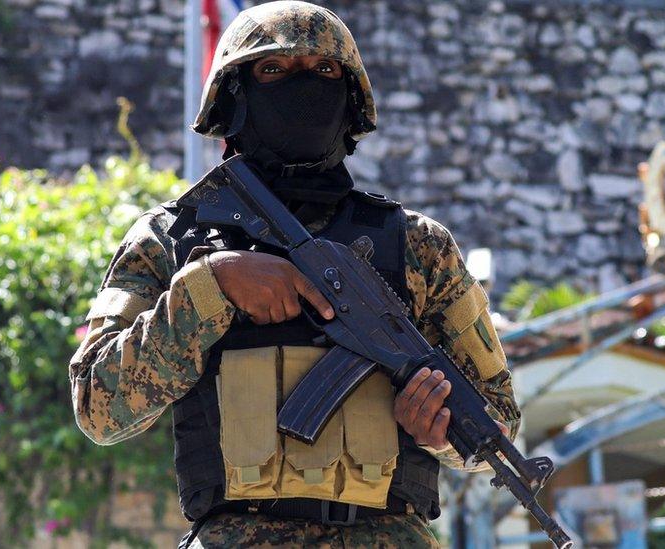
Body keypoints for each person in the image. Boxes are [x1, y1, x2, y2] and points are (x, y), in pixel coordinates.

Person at [69, 2, 522, 546]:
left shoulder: (418, 246)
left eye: (324, 71)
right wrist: (211, 289)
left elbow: (498, 421)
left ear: (349, 100)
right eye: (273, 71)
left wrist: (443, 435)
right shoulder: (173, 238)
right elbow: (99, 407)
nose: (303, 89)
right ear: (234, 97)